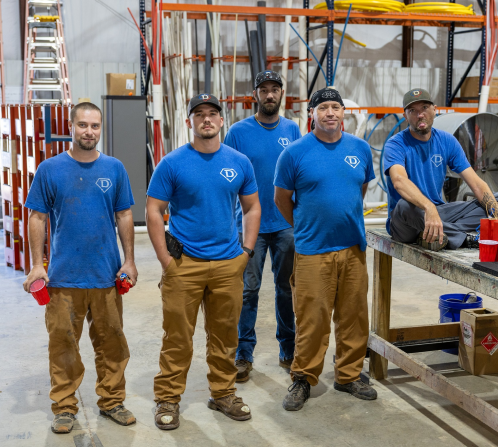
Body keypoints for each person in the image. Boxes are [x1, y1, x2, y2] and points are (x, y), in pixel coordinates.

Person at [146, 94, 261, 430]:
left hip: (228, 264)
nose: (206, 120)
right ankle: (168, 397)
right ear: (190, 122)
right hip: (185, 265)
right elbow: (153, 210)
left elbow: (252, 208)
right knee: (178, 336)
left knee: (225, 336)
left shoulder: (239, 162)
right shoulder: (172, 163)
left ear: (221, 121)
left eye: (212, 114)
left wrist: (246, 252)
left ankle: (223, 392)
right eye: (199, 115)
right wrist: (166, 260)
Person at [22, 102, 137, 434]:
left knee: (112, 342)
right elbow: (38, 217)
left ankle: (112, 401)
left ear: (101, 129)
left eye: (95, 126)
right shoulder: (50, 169)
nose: (90, 131)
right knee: (63, 343)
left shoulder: (114, 169)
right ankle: (65, 406)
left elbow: (124, 215)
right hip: (63, 278)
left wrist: (129, 260)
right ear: (71, 127)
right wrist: (36, 265)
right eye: (83, 125)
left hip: (106, 276)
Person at [274, 88, 377, 412]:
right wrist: (307, 224)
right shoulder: (294, 153)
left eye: (335, 107)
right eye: (323, 108)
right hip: (312, 251)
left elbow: (359, 189)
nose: (330, 113)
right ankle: (303, 377)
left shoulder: (359, 148)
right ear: (313, 114)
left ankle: (348, 375)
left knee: (354, 317)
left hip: (352, 249)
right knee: (312, 319)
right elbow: (281, 199)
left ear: (343, 112)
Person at [224, 70, 301, 382]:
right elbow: (227, 178)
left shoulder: (293, 130)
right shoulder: (238, 132)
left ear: (282, 94)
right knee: (247, 290)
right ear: (254, 95)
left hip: (285, 224)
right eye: (264, 90)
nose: (270, 95)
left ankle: (289, 348)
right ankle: (243, 353)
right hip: (249, 226)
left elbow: (300, 175)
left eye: (275, 90)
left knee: (286, 289)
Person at [385, 88, 498, 251]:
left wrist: (495, 214)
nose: (420, 114)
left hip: (438, 213)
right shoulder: (395, 144)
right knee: (404, 206)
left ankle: (437, 233)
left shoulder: (446, 141)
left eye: (424, 108)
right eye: (412, 111)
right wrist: (428, 207)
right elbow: (399, 181)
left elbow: (477, 184)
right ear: (405, 116)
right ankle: (464, 238)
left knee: (493, 200)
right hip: (406, 222)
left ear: (434, 110)